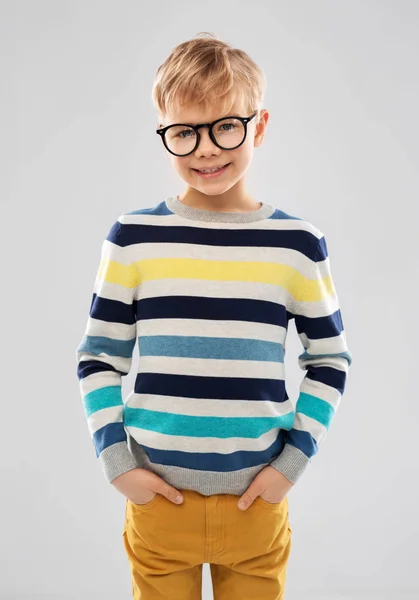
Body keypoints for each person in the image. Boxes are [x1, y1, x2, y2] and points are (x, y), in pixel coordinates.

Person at [76, 32, 353, 600]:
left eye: (225, 125)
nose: (205, 149)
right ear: (165, 134)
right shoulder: (133, 238)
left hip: (257, 502)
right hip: (158, 502)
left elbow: (329, 360)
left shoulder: (297, 245)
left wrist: (291, 465)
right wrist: (116, 462)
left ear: (260, 124)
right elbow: (98, 357)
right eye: (184, 132)